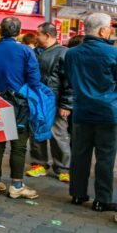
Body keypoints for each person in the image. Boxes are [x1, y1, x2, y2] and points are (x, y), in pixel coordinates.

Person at [0, 17, 40, 199]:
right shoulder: (25, 51)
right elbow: (34, 80)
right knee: (19, 146)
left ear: (0, 31)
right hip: (19, 104)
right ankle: (16, 185)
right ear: (18, 32)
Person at [64, 13, 117, 212]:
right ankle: (102, 199)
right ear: (103, 30)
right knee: (105, 157)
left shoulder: (72, 53)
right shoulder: (112, 53)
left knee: (79, 154)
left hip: (81, 110)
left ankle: (77, 194)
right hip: (108, 112)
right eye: (110, 27)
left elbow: (69, 79)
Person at [26, 23, 73, 183]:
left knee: (58, 134)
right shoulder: (34, 52)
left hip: (55, 100)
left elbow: (69, 81)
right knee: (36, 132)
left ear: (46, 35)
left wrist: (66, 104)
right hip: (36, 99)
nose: (36, 36)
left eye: (38, 34)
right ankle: (39, 163)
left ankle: (63, 168)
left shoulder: (64, 53)